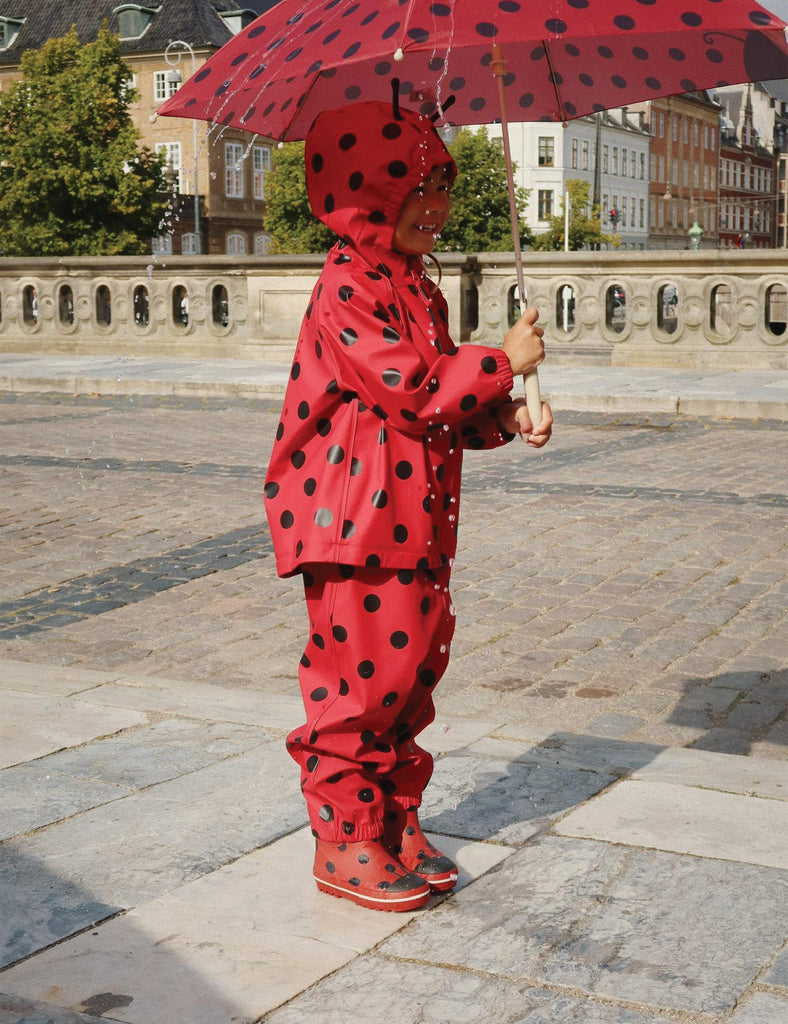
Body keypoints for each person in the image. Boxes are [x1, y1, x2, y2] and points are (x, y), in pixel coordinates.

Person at [264, 98, 552, 912]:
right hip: (354, 522)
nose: (434, 208)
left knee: (410, 678)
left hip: (416, 515)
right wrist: (502, 359)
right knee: (359, 686)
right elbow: (415, 388)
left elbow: (447, 408)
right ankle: (343, 838)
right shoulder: (347, 284)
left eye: (440, 188)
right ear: (362, 196)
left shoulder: (419, 290)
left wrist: (505, 410)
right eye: (410, 189)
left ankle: (393, 820)